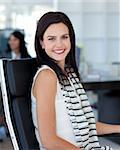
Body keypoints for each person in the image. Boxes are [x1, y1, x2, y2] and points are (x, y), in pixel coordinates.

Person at [31, 11, 120, 150]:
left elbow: (87, 126)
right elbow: (49, 141)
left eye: (64, 37)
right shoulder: (46, 76)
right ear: (42, 43)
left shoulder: (69, 74)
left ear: (71, 40)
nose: (59, 44)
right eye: (51, 38)